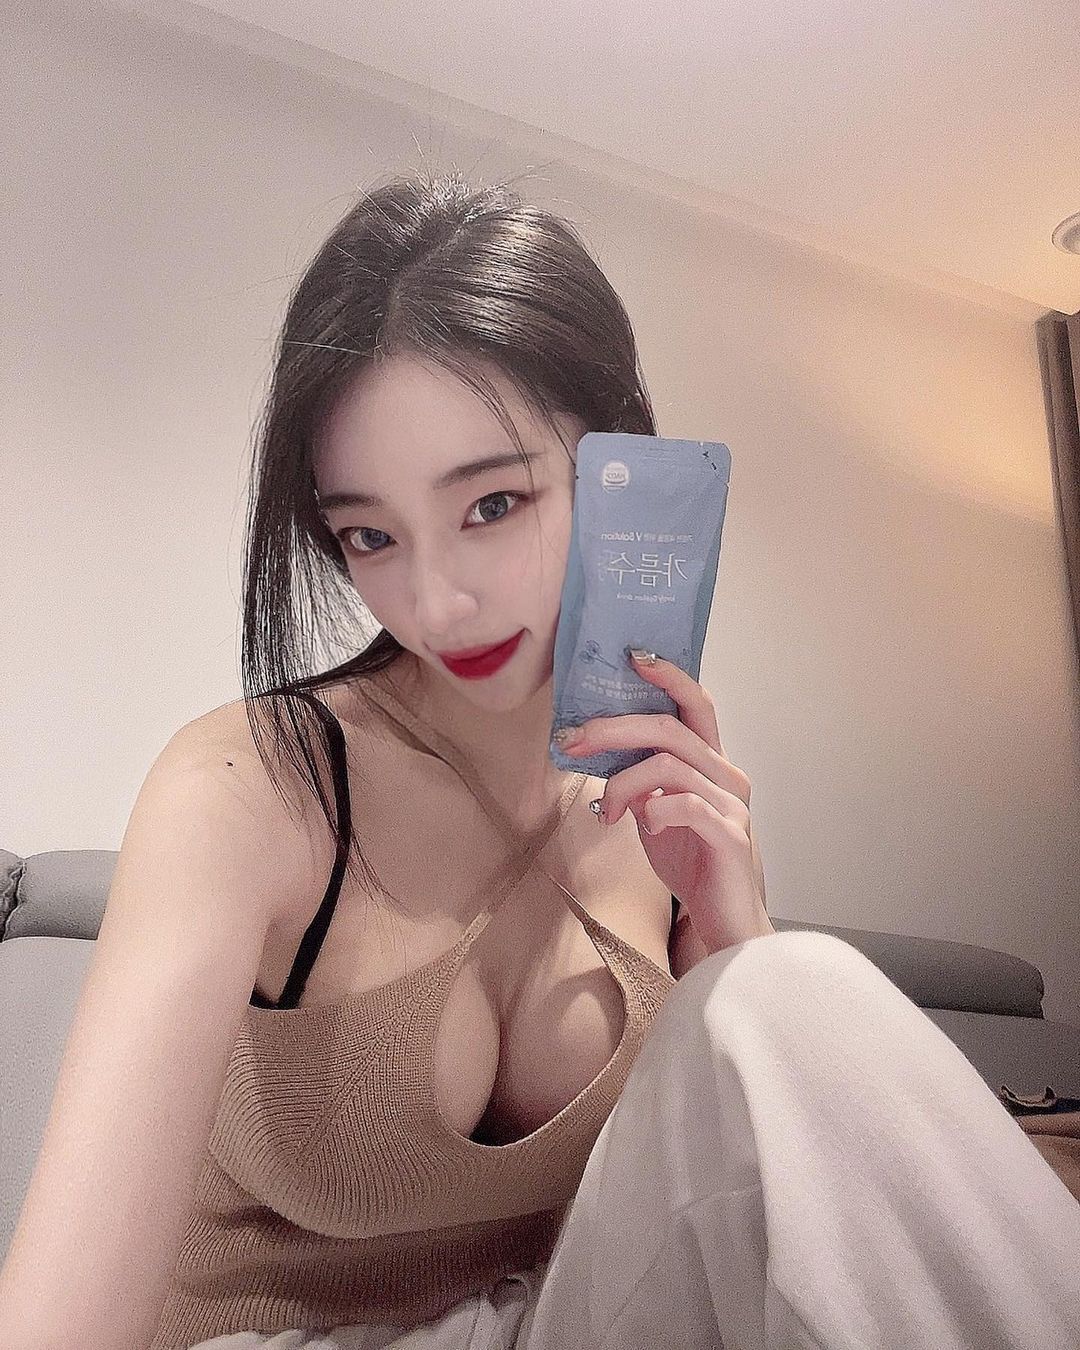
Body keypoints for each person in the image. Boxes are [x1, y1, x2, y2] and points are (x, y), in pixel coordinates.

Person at [1, 169, 1078, 1350]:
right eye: (370, 533)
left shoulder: (655, 797)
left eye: (492, 505)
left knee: (794, 988)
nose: (435, 601)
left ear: (619, 468)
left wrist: (735, 945)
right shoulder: (251, 789)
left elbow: (739, 1209)